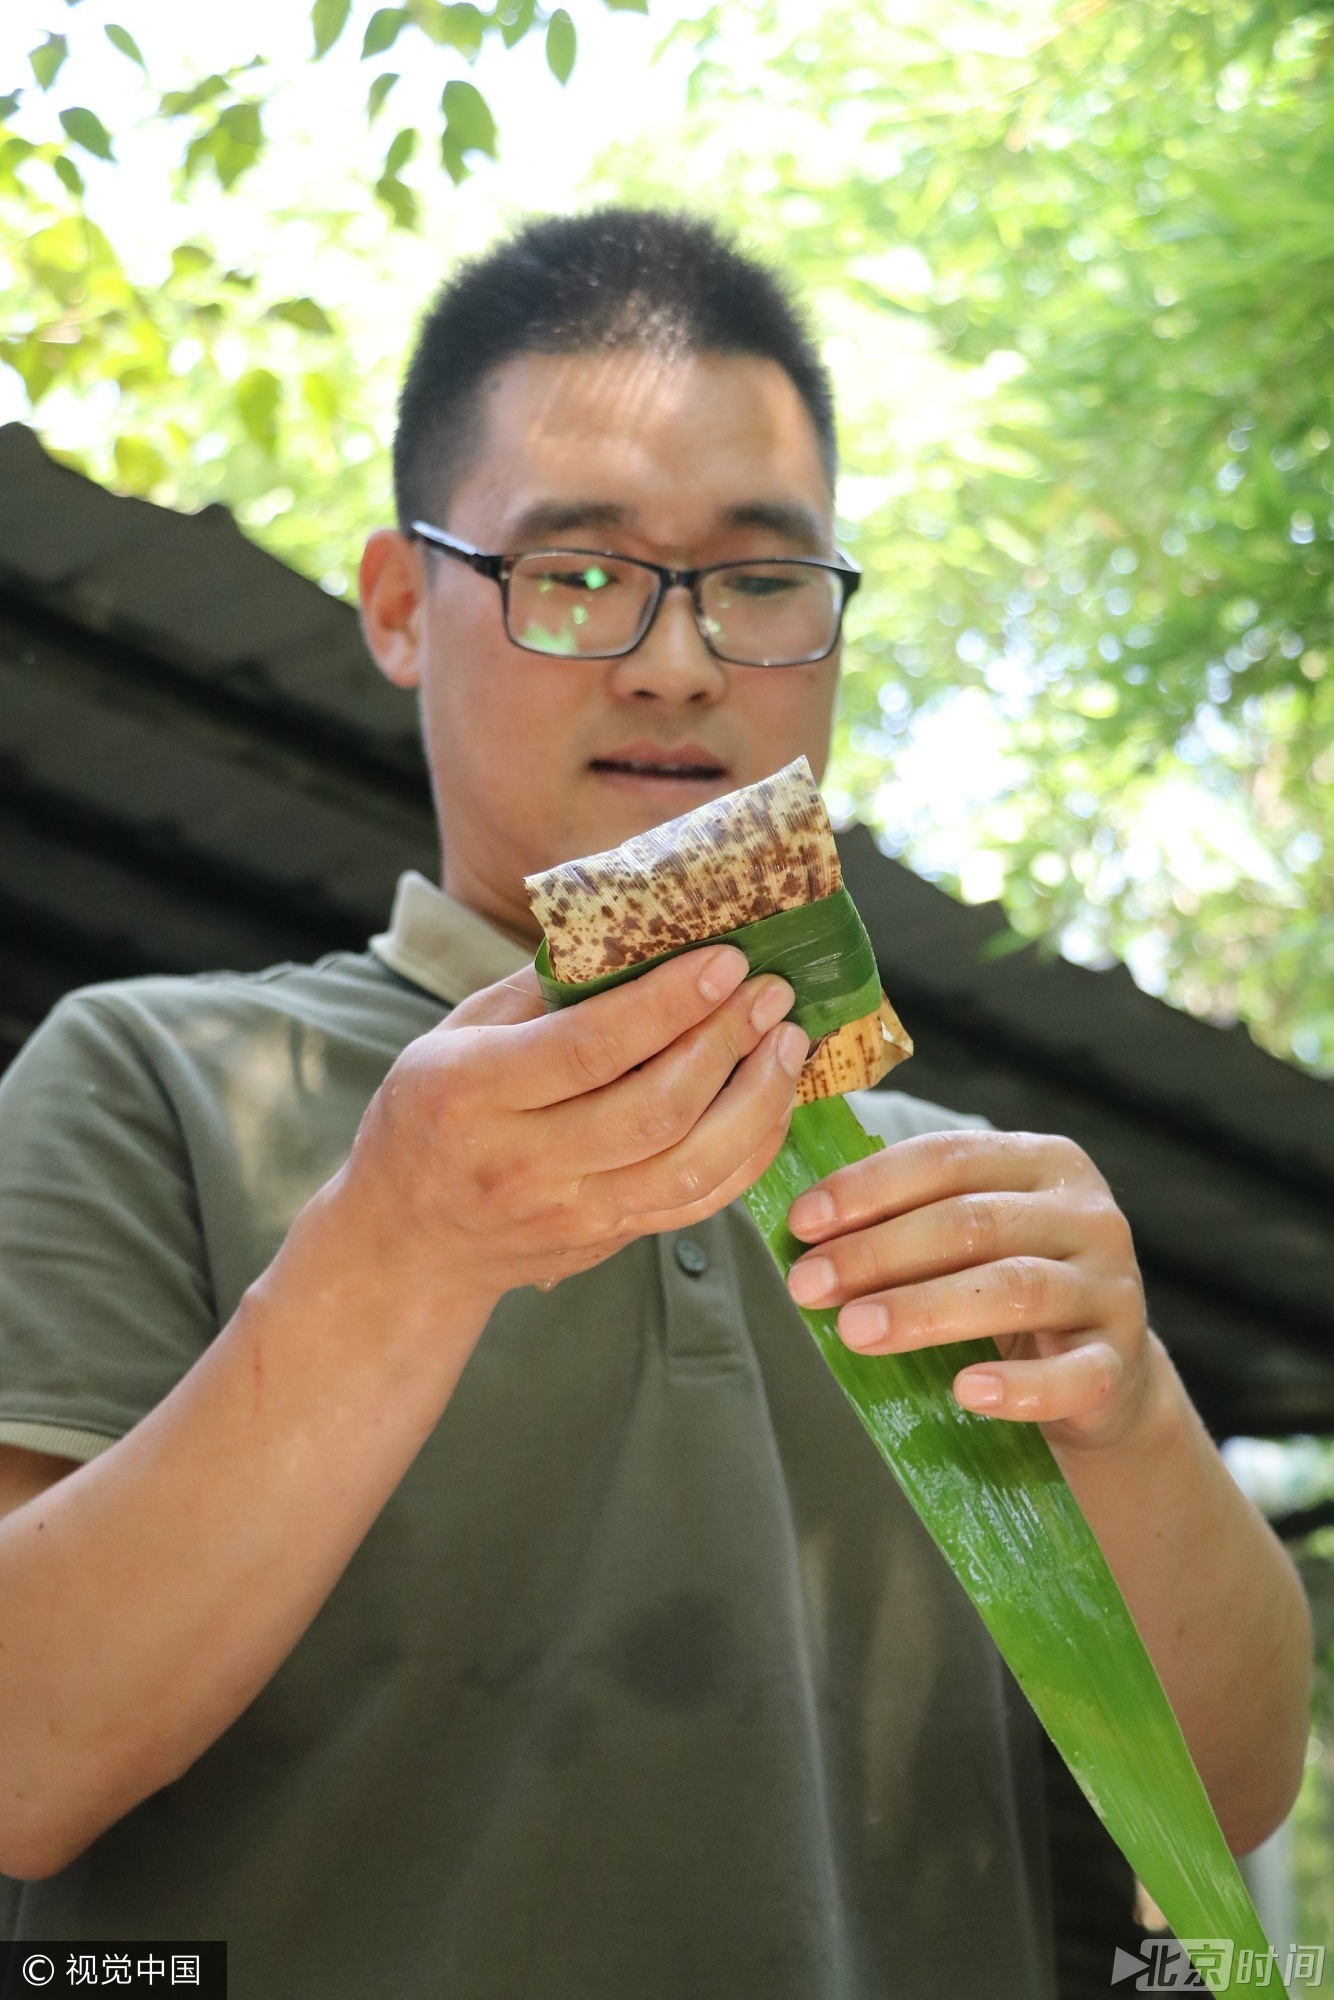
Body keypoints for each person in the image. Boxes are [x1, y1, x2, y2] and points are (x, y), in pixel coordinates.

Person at [0, 209, 1312, 1999]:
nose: (681, 661)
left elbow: (1225, 1795)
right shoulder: (149, 1079)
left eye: (763, 581)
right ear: (401, 605)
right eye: (579, 572)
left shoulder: (969, 1210)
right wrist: (395, 1253)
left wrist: (1135, 1407)